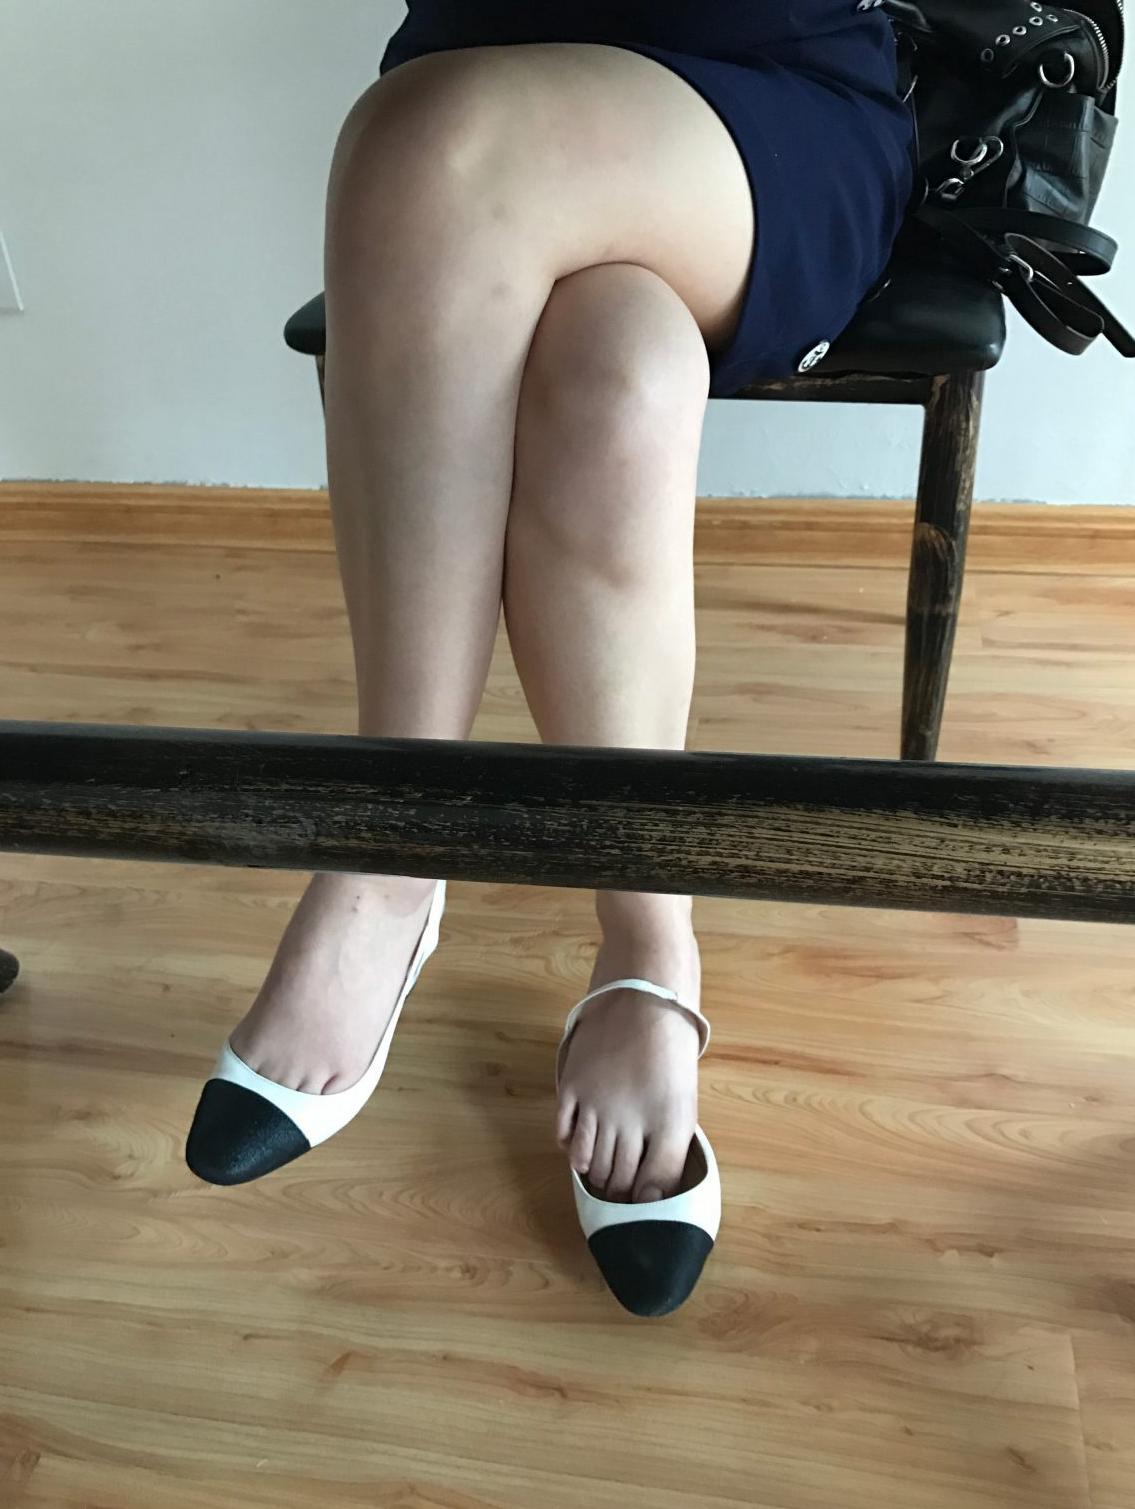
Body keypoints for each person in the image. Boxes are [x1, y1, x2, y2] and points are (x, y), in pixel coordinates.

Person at [186, 0, 914, 1315]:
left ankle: (392, 841)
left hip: (766, 100)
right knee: (617, 371)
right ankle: (650, 942)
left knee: (440, 144)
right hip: (504, 64)